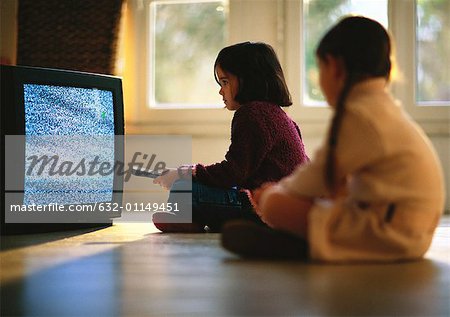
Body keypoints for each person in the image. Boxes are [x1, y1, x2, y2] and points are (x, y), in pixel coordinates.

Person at [221, 16, 445, 262]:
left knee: (276, 203)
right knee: (321, 201)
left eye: (319, 69)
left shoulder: (360, 115)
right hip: (410, 231)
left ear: (335, 67)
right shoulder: (382, 108)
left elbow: (320, 174)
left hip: (389, 233)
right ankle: (301, 242)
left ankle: (298, 246)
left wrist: (275, 192)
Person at [152, 41, 309, 233]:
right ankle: (193, 217)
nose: (220, 90)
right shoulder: (280, 116)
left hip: (259, 208)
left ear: (249, 80)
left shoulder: (253, 113)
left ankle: (188, 217)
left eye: (225, 82)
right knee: (192, 185)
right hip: (276, 204)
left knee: (185, 188)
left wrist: (186, 173)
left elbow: (233, 172)